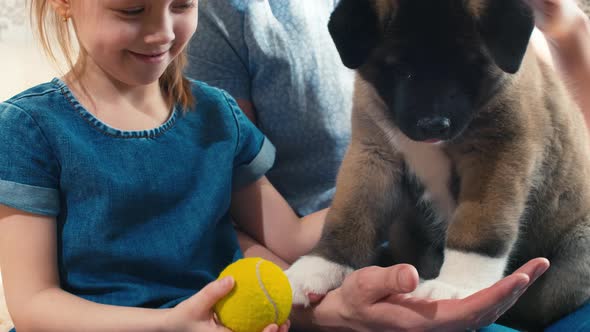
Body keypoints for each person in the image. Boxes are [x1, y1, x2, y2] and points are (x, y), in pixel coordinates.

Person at [0, 1, 549, 332]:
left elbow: (289, 237)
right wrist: (168, 325)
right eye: (130, 10)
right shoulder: (28, 128)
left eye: (183, 5)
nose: (163, 31)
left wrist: (404, 180)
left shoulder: (215, 113)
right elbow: (32, 305)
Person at [187, 0, 590, 330]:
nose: (435, 112)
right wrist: (335, 259)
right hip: (404, 261)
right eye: (401, 70)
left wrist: (571, 32)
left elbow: (511, 153)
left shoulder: (496, 33)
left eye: (466, 65)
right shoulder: (219, 16)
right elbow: (370, 159)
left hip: (557, 248)